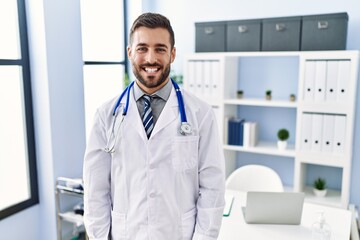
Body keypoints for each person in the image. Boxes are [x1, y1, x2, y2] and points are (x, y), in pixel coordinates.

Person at [83, 12, 225, 240]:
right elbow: (95, 191)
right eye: (142, 48)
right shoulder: (105, 115)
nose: (151, 58)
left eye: (160, 49)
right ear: (130, 53)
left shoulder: (200, 113)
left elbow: (213, 188)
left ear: (173, 54)